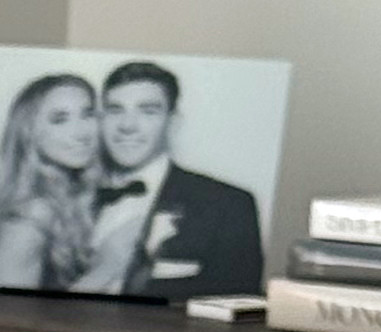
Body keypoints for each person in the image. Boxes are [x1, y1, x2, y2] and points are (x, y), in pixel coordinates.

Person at [76, 61, 265, 300]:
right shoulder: (68, 197)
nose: (127, 125)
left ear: (173, 122)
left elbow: (234, 316)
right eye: (115, 110)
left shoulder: (228, 205)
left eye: (148, 111)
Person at [0, 72, 102, 288]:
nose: (82, 132)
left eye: (87, 114)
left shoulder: (69, 199)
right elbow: (5, 317)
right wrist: (107, 269)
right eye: (60, 120)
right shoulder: (29, 219)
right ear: (29, 133)